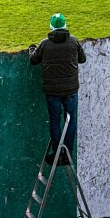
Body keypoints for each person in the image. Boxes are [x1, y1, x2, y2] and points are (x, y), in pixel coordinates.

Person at [29, 13, 86, 165]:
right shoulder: (74, 42)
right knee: (71, 119)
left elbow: (33, 60)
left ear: (51, 27)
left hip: (52, 90)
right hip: (71, 88)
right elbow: (82, 59)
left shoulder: (45, 44)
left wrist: (31, 49)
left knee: (55, 120)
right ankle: (68, 152)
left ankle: (57, 153)